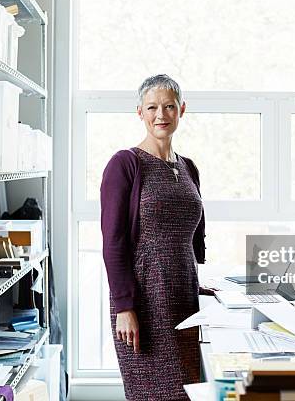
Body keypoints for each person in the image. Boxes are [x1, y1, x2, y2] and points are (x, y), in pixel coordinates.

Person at [100, 74, 207, 400]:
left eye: (169, 106)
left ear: (181, 110)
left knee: (187, 392)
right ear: (140, 112)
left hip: (185, 301)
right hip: (143, 305)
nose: (161, 114)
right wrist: (124, 307)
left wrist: (195, 280)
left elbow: (186, 238)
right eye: (152, 107)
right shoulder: (126, 164)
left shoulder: (188, 167)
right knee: (155, 394)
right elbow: (113, 242)